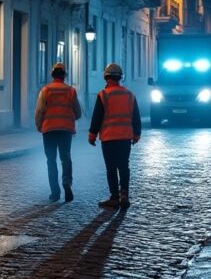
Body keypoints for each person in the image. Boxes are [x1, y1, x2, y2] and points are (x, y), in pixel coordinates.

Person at [88, 63, 141, 210]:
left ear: (106, 77)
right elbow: (136, 117)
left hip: (109, 138)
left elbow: (97, 118)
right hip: (124, 137)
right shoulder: (129, 95)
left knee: (111, 168)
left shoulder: (103, 95)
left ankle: (114, 197)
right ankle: (125, 194)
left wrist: (92, 135)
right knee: (124, 166)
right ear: (120, 78)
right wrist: (136, 134)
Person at [34, 62, 82, 202]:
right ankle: (67, 182)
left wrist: (39, 125)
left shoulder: (46, 90)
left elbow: (39, 111)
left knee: (51, 160)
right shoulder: (71, 91)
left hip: (48, 130)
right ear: (64, 76)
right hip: (65, 130)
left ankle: (55, 192)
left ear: (52, 75)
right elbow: (78, 113)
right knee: (65, 157)